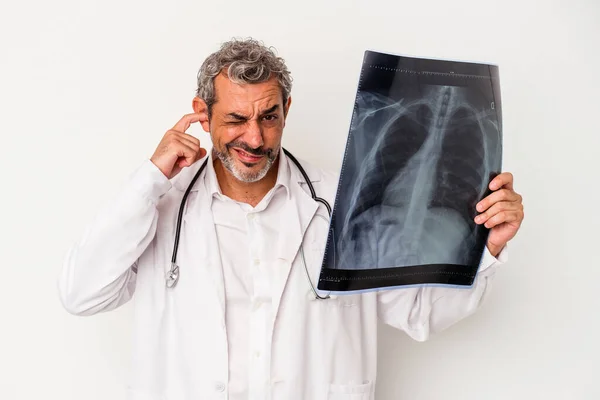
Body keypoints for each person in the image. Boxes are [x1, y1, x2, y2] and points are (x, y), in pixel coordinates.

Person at [58, 38, 524, 400]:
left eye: (269, 116)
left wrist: (489, 247)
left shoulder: (342, 202)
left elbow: (419, 313)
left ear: (287, 110)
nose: (255, 138)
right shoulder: (161, 206)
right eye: (236, 118)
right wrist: (150, 178)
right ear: (202, 114)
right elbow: (82, 294)